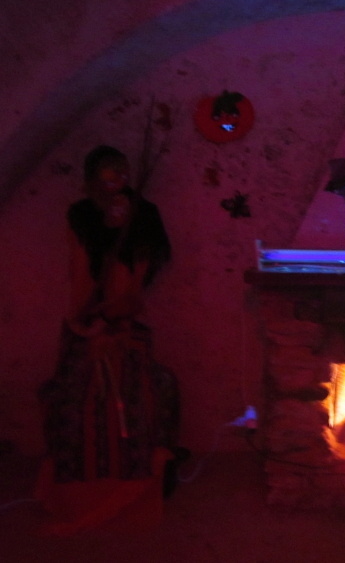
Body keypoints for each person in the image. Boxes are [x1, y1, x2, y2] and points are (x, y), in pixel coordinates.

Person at [35, 145, 178, 535]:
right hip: (87, 316)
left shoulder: (143, 214)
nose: (118, 177)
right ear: (93, 177)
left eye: (122, 169)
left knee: (136, 404)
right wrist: (84, 318)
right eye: (108, 171)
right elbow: (80, 267)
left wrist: (120, 307)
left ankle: (134, 488)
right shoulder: (82, 215)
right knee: (74, 405)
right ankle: (75, 495)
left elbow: (141, 271)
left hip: (124, 319)